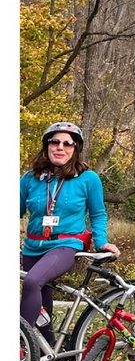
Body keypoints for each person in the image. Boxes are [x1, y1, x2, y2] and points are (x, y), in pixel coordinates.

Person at [20, 122, 120, 343]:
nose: (60, 147)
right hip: (33, 247)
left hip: (65, 246)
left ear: (75, 149)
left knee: (32, 282)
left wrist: (101, 242)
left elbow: (98, 214)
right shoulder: (30, 179)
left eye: (68, 143)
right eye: (54, 142)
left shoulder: (88, 179)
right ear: (46, 146)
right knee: (41, 310)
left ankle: (18, 346)